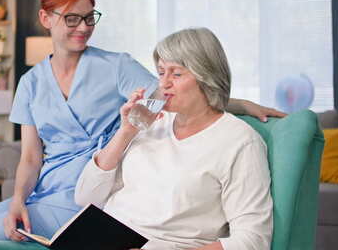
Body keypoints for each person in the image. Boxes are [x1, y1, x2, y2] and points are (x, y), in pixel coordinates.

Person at [0, 0, 282, 250]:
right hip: (50, 194)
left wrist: (238, 103)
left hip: (87, 199)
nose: (84, 28)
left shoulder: (116, 67)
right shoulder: (31, 82)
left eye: (89, 18)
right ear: (46, 19)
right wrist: (18, 200)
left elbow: (171, 96)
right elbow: (30, 158)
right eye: (72, 19)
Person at [75, 27, 273, 250]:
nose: (163, 83)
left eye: (176, 74)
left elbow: (253, 240)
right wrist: (125, 133)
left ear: (206, 77)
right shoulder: (150, 123)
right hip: (103, 237)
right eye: (161, 72)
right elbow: (85, 196)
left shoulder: (240, 142)